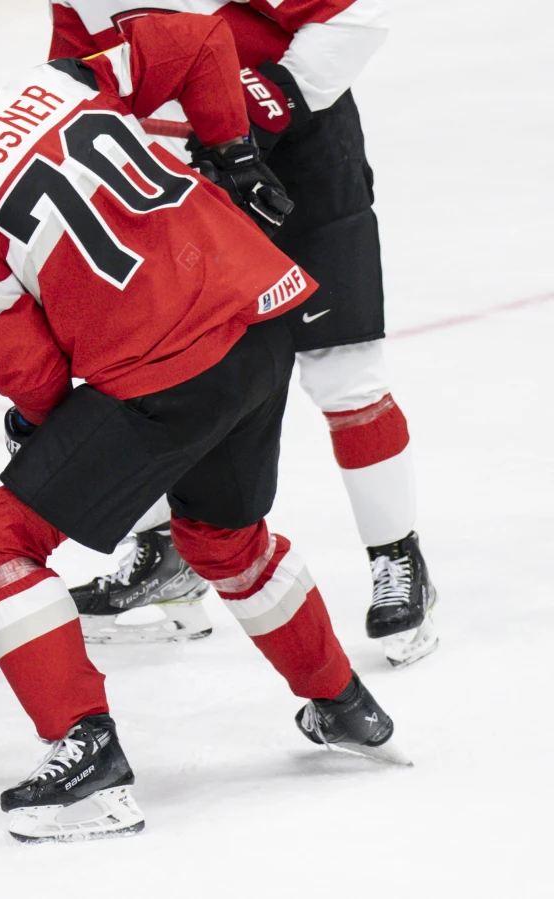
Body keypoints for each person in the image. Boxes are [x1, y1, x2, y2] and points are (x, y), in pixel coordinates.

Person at [0, 10, 404, 843]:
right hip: (259, 321)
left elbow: (31, 372)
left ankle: (88, 761)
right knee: (225, 539)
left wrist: (44, 427)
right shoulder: (66, 79)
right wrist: (233, 150)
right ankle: (343, 702)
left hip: (166, 376)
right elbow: (199, 44)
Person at [45, 1, 436, 666]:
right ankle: (167, 557)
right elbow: (82, 73)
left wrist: (258, 97)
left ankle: (397, 558)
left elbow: (354, 15)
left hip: (306, 162)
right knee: (171, 372)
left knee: (343, 373)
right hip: (199, 187)